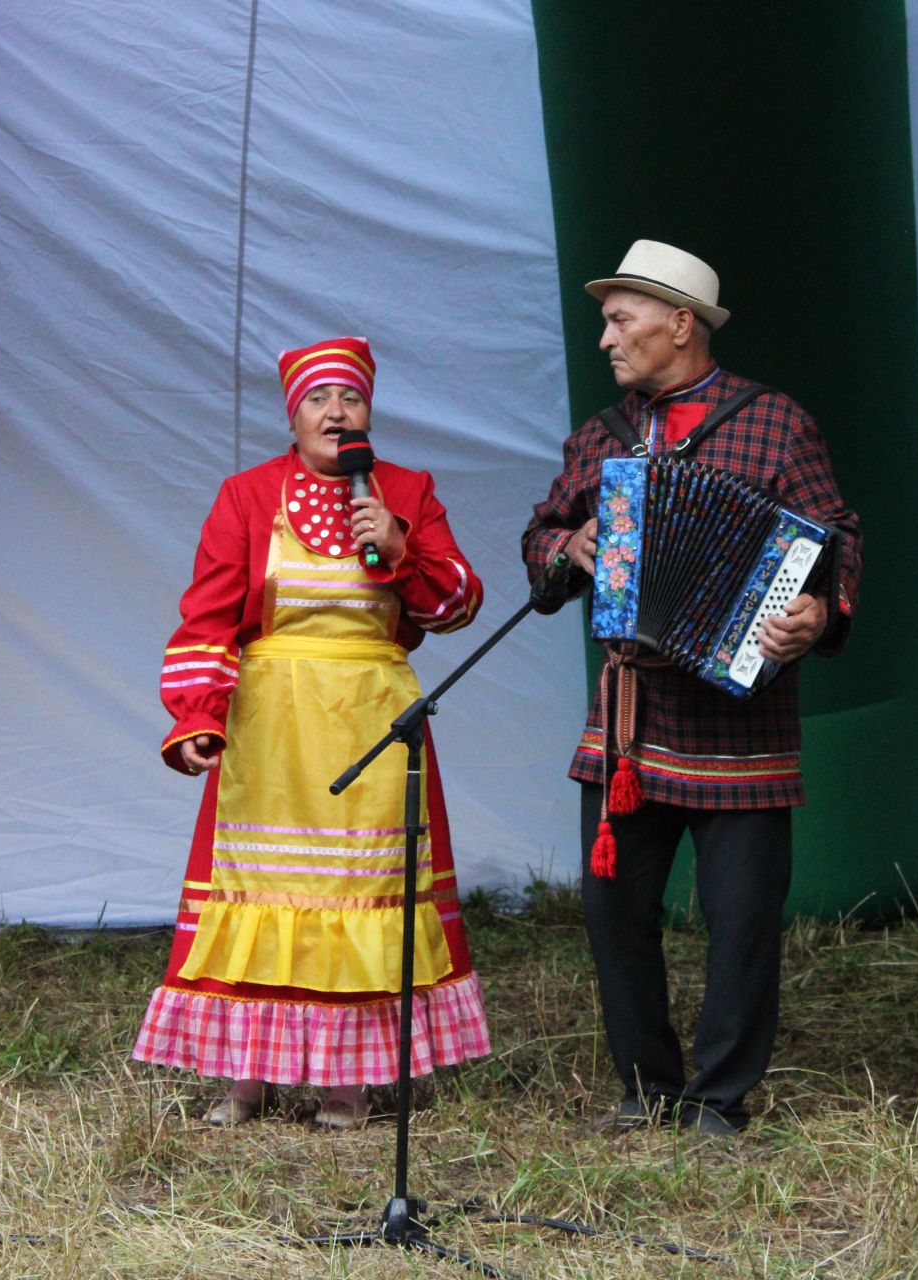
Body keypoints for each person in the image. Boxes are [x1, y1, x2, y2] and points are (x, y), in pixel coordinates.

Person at [522, 241, 863, 1136]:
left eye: (620, 317)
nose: (605, 338)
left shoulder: (775, 424)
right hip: (633, 717)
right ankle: (646, 1087)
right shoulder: (602, 438)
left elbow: (837, 535)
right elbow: (541, 536)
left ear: (681, 323)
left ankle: (719, 1098)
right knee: (613, 907)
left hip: (740, 718)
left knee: (742, 916)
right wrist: (568, 549)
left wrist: (819, 614)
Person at [133, 335, 491, 1129]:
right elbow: (208, 616)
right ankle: (243, 1077)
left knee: (360, 892)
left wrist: (399, 547)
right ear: (293, 417)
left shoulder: (406, 489)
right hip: (272, 729)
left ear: (369, 412)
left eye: (351, 399)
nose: (337, 412)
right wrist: (196, 713)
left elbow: (459, 605)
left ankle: (348, 1084)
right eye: (319, 399)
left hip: (373, 719)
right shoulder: (247, 495)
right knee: (257, 890)